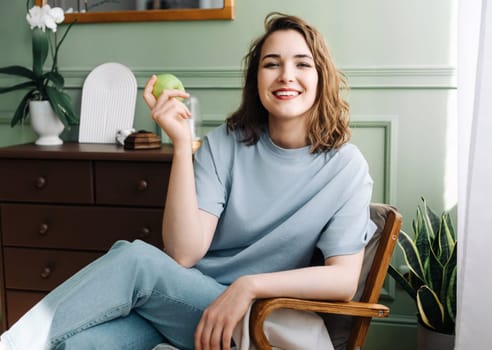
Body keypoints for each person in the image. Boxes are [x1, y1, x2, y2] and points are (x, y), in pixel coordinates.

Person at [0, 12, 375, 350]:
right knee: (81, 344)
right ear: (256, 79)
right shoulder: (225, 143)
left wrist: (250, 286)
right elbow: (184, 253)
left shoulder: (345, 168)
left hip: (250, 318)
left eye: (302, 64)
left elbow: (342, 279)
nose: (286, 76)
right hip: (183, 302)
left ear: (321, 75)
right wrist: (182, 144)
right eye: (271, 64)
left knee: (134, 259)